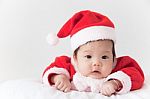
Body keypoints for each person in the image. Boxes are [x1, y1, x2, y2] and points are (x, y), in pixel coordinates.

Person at [42, 10, 144, 96]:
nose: (96, 63)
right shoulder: (69, 66)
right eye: (88, 56)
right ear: (75, 58)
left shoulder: (118, 67)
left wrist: (116, 82)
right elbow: (50, 70)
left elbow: (137, 75)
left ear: (113, 59)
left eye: (104, 57)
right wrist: (58, 77)